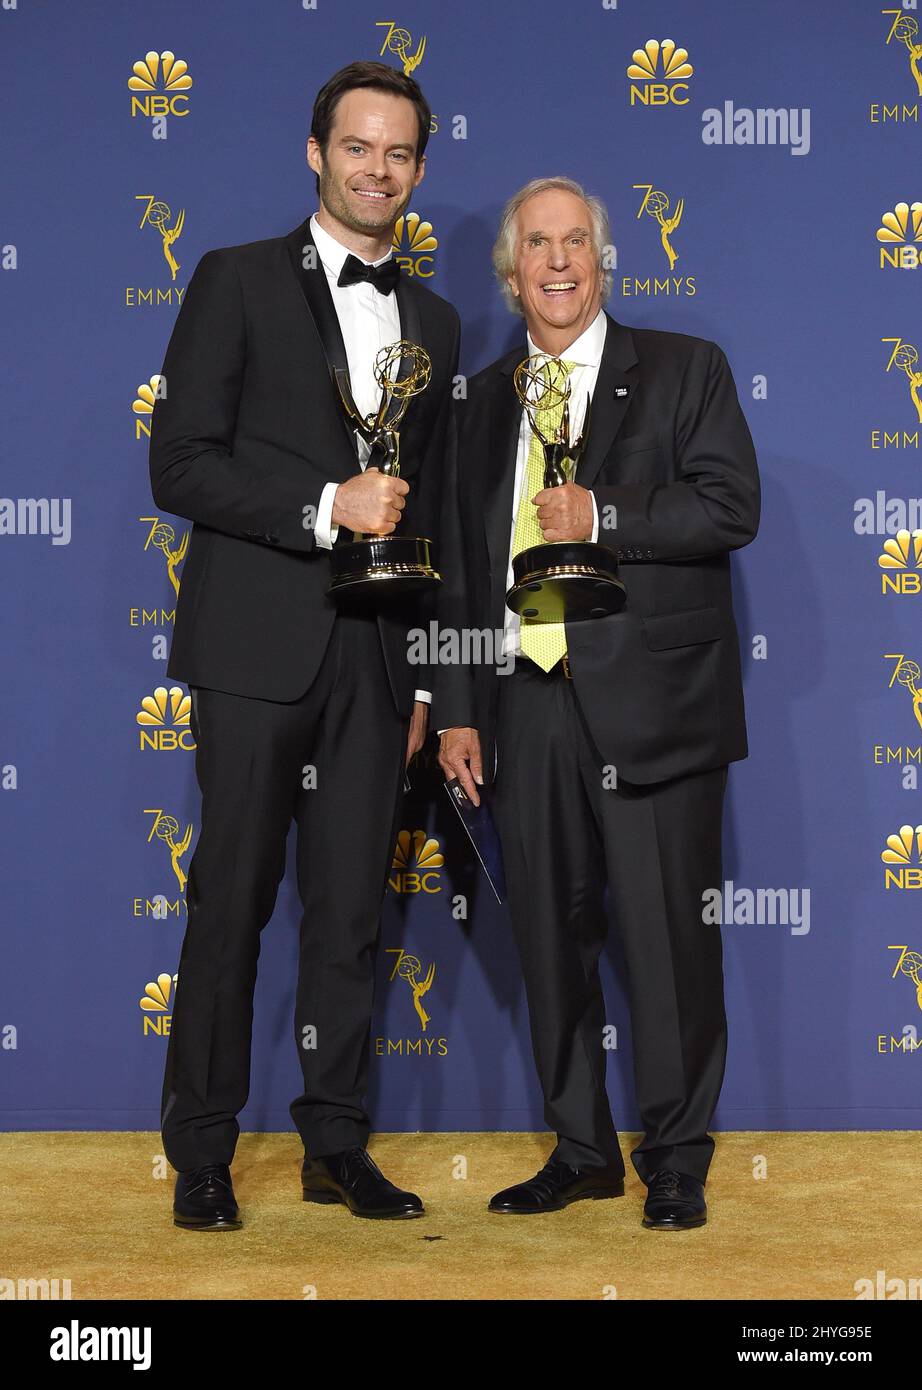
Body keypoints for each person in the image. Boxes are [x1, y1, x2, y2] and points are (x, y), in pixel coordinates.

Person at [148, 60, 460, 1229]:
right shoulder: (231, 280)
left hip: (376, 665)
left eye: (399, 153)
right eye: (357, 147)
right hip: (252, 651)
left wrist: (426, 666)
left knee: (347, 917)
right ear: (316, 151)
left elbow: (422, 506)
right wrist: (328, 508)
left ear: (420, 169)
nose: (377, 170)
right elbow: (178, 463)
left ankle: (336, 1141)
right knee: (228, 902)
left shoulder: (433, 319)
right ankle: (202, 1153)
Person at [435, 176, 759, 1229]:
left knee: (668, 940)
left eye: (576, 241)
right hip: (525, 705)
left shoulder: (682, 369)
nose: (559, 261)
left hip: (653, 703)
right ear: (511, 268)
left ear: (603, 259)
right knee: (546, 933)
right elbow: (459, 569)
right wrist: (460, 706)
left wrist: (601, 512)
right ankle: (580, 1147)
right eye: (538, 244)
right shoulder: (479, 403)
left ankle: (675, 1156)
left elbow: (728, 505)